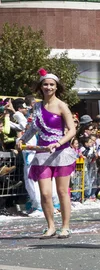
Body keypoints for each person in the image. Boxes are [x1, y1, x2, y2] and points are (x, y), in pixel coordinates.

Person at [16, 69, 77, 239]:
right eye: (45, 84)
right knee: (45, 193)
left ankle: (65, 226)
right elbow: (33, 128)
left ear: (56, 87)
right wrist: (22, 140)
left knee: (62, 191)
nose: (48, 87)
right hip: (42, 154)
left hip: (60, 153)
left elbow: (72, 130)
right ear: (41, 87)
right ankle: (50, 226)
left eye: (52, 84)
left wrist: (59, 143)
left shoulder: (62, 105)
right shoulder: (37, 106)